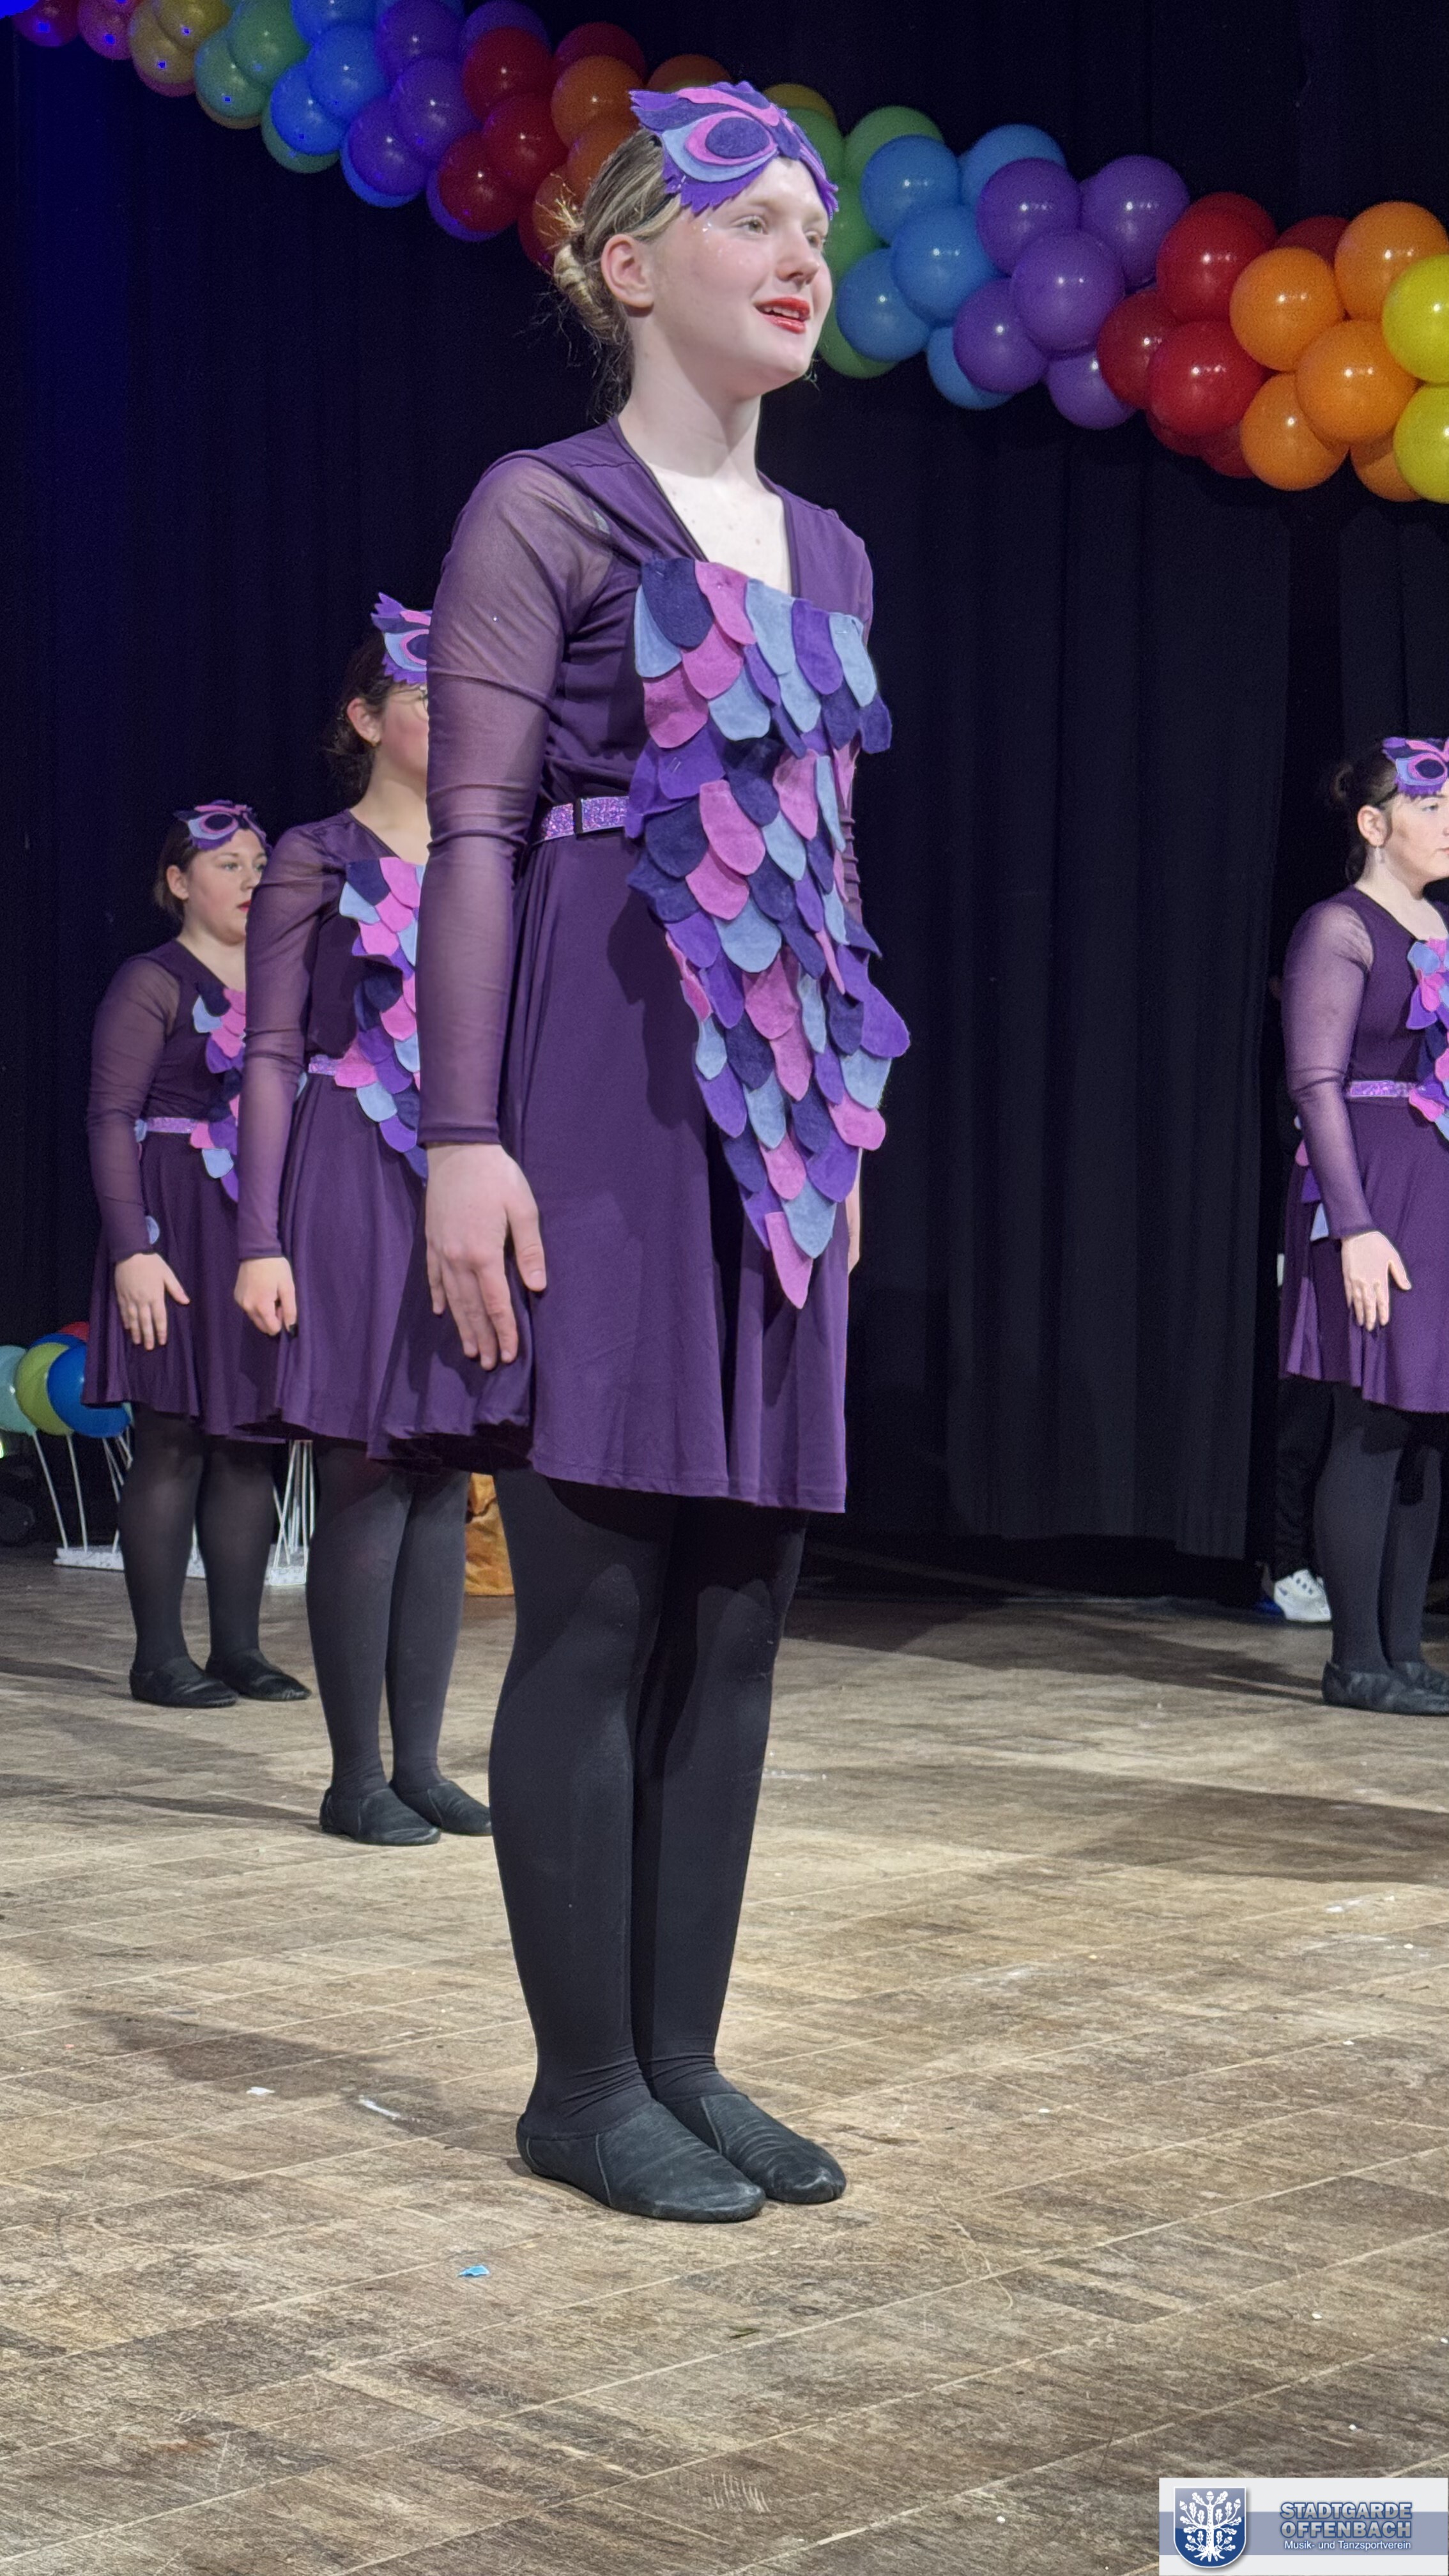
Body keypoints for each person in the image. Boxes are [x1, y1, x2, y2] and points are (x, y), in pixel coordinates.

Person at [379, 86, 909, 2220]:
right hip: (593, 1083)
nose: (798, 256)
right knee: (595, 1599)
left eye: (813, 226)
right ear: (625, 267)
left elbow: (824, 858)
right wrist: (462, 1134)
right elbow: (476, 838)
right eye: (749, 220)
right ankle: (578, 2082)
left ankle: (683, 2056)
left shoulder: (835, 553)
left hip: (775, 1122)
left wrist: (839, 1108)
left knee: (741, 1605)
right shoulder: (546, 510)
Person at [234, 601, 486, 1847]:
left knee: (441, 1469)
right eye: (428, 694)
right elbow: (271, 1050)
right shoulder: (314, 857)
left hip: (460, 1173)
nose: (453, 714)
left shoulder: (491, 856)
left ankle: (422, 1764)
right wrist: (259, 1236)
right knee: (367, 1466)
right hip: (348, 1162)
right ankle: (354, 1776)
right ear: (367, 719)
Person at [85, 804, 306, 1710]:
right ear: (179, 882)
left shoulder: (288, 979)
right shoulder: (153, 981)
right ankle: (158, 1657)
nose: (252, 880)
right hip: (173, 1227)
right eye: (228, 865)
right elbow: (109, 1118)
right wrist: (132, 1250)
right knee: (172, 1437)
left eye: (260, 863)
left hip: (255, 1230)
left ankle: (240, 1650)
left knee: (249, 1441)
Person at [1281, 735, 1449, 1714]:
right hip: (1370, 1192)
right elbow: (1316, 1083)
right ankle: (1355, 1660)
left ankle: (1403, 1651)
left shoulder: (1439, 927)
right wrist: (1354, 1227)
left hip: (1434, 1190)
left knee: (1427, 1421)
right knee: (1373, 1418)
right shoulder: (1339, 928)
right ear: (1374, 825)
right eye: (1432, 807)